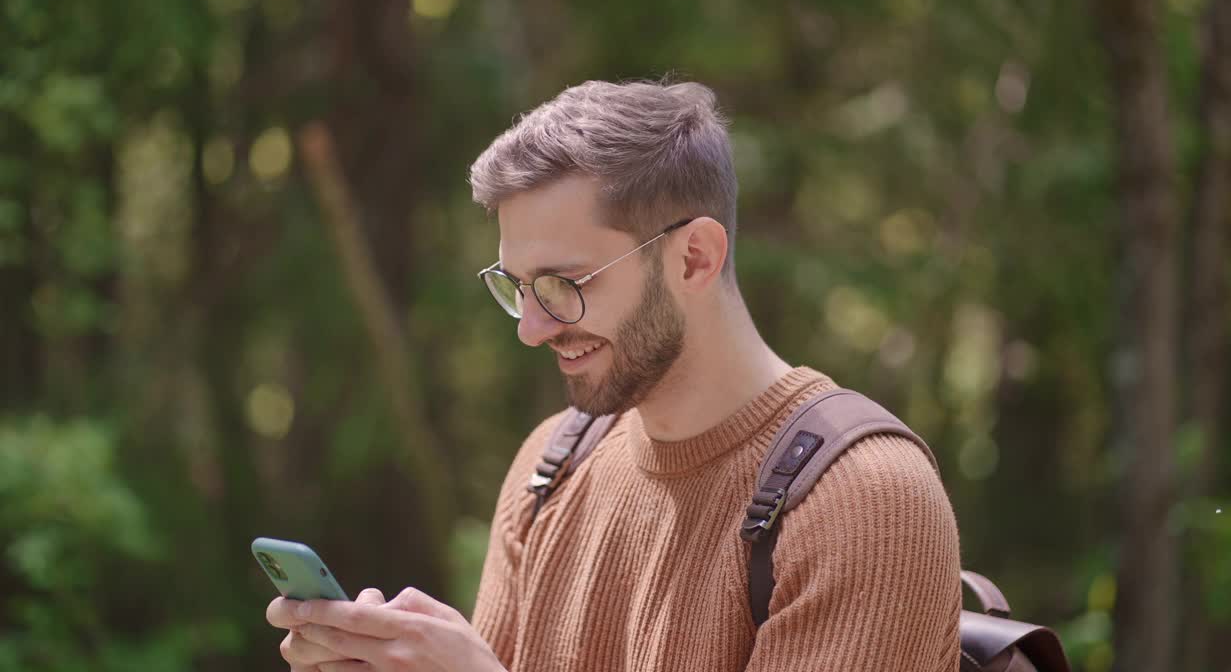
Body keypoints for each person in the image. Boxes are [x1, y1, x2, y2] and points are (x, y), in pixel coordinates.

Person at [266, 79, 961, 671]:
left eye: (565, 284)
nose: (531, 328)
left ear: (693, 258)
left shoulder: (864, 501)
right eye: (517, 287)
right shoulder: (551, 467)